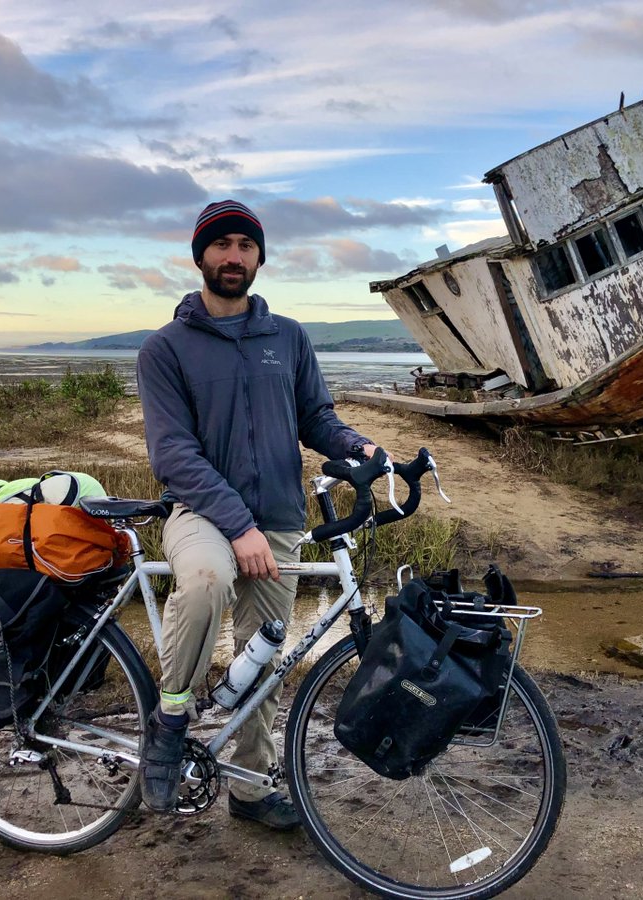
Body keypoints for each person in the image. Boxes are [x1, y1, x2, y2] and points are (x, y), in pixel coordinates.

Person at [136, 199, 386, 830]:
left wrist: (360, 447)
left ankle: (249, 789)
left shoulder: (290, 338)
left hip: (277, 517)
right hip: (201, 514)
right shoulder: (165, 349)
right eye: (220, 246)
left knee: (264, 659)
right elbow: (174, 455)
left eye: (245, 246)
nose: (233, 256)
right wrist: (237, 527)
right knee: (206, 582)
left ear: (259, 258)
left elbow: (315, 419)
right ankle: (170, 719)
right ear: (200, 257)